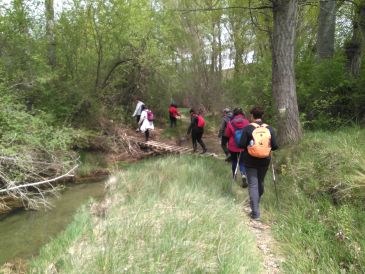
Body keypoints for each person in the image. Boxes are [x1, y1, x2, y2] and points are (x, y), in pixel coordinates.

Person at [238, 106, 278, 220]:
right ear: (262, 116)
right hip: (265, 160)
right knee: (260, 182)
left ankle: (255, 212)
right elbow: (275, 146)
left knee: (253, 185)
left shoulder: (247, 128)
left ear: (252, 116)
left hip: (250, 160)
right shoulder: (270, 129)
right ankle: (256, 203)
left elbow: (240, 145)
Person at [225, 107, 250, 187]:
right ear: (242, 113)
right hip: (243, 146)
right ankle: (243, 174)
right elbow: (249, 133)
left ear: (234, 114)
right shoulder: (246, 122)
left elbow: (227, 134)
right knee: (242, 162)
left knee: (234, 161)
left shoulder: (230, 122)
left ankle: (234, 177)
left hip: (233, 146)